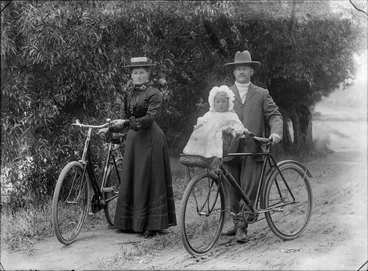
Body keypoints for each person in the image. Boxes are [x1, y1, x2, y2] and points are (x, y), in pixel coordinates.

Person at [106, 56, 177, 238]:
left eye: (142, 72)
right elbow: (127, 118)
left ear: (148, 74)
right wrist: (115, 129)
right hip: (134, 140)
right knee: (133, 177)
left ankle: (151, 224)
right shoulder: (128, 94)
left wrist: (124, 123)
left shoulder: (154, 93)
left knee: (148, 178)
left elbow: (148, 119)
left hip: (151, 139)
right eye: (135, 73)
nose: (138, 76)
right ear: (131, 75)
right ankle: (129, 222)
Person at [222, 50, 283, 243]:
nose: (241, 71)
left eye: (245, 68)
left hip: (252, 147)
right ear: (233, 72)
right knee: (232, 187)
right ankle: (235, 220)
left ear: (251, 72)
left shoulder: (261, 93)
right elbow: (216, 115)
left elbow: (274, 115)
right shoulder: (225, 94)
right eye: (238, 68)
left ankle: (242, 226)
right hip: (230, 148)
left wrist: (275, 133)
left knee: (248, 187)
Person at [183, 85, 248, 161]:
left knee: (220, 134)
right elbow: (202, 123)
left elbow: (239, 126)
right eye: (218, 102)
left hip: (225, 143)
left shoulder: (231, 115)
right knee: (201, 132)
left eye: (224, 102)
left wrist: (232, 128)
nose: (221, 104)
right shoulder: (209, 114)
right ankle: (200, 152)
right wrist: (198, 127)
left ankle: (217, 154)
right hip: (208, 142)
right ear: (213, 102)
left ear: (228, 102)